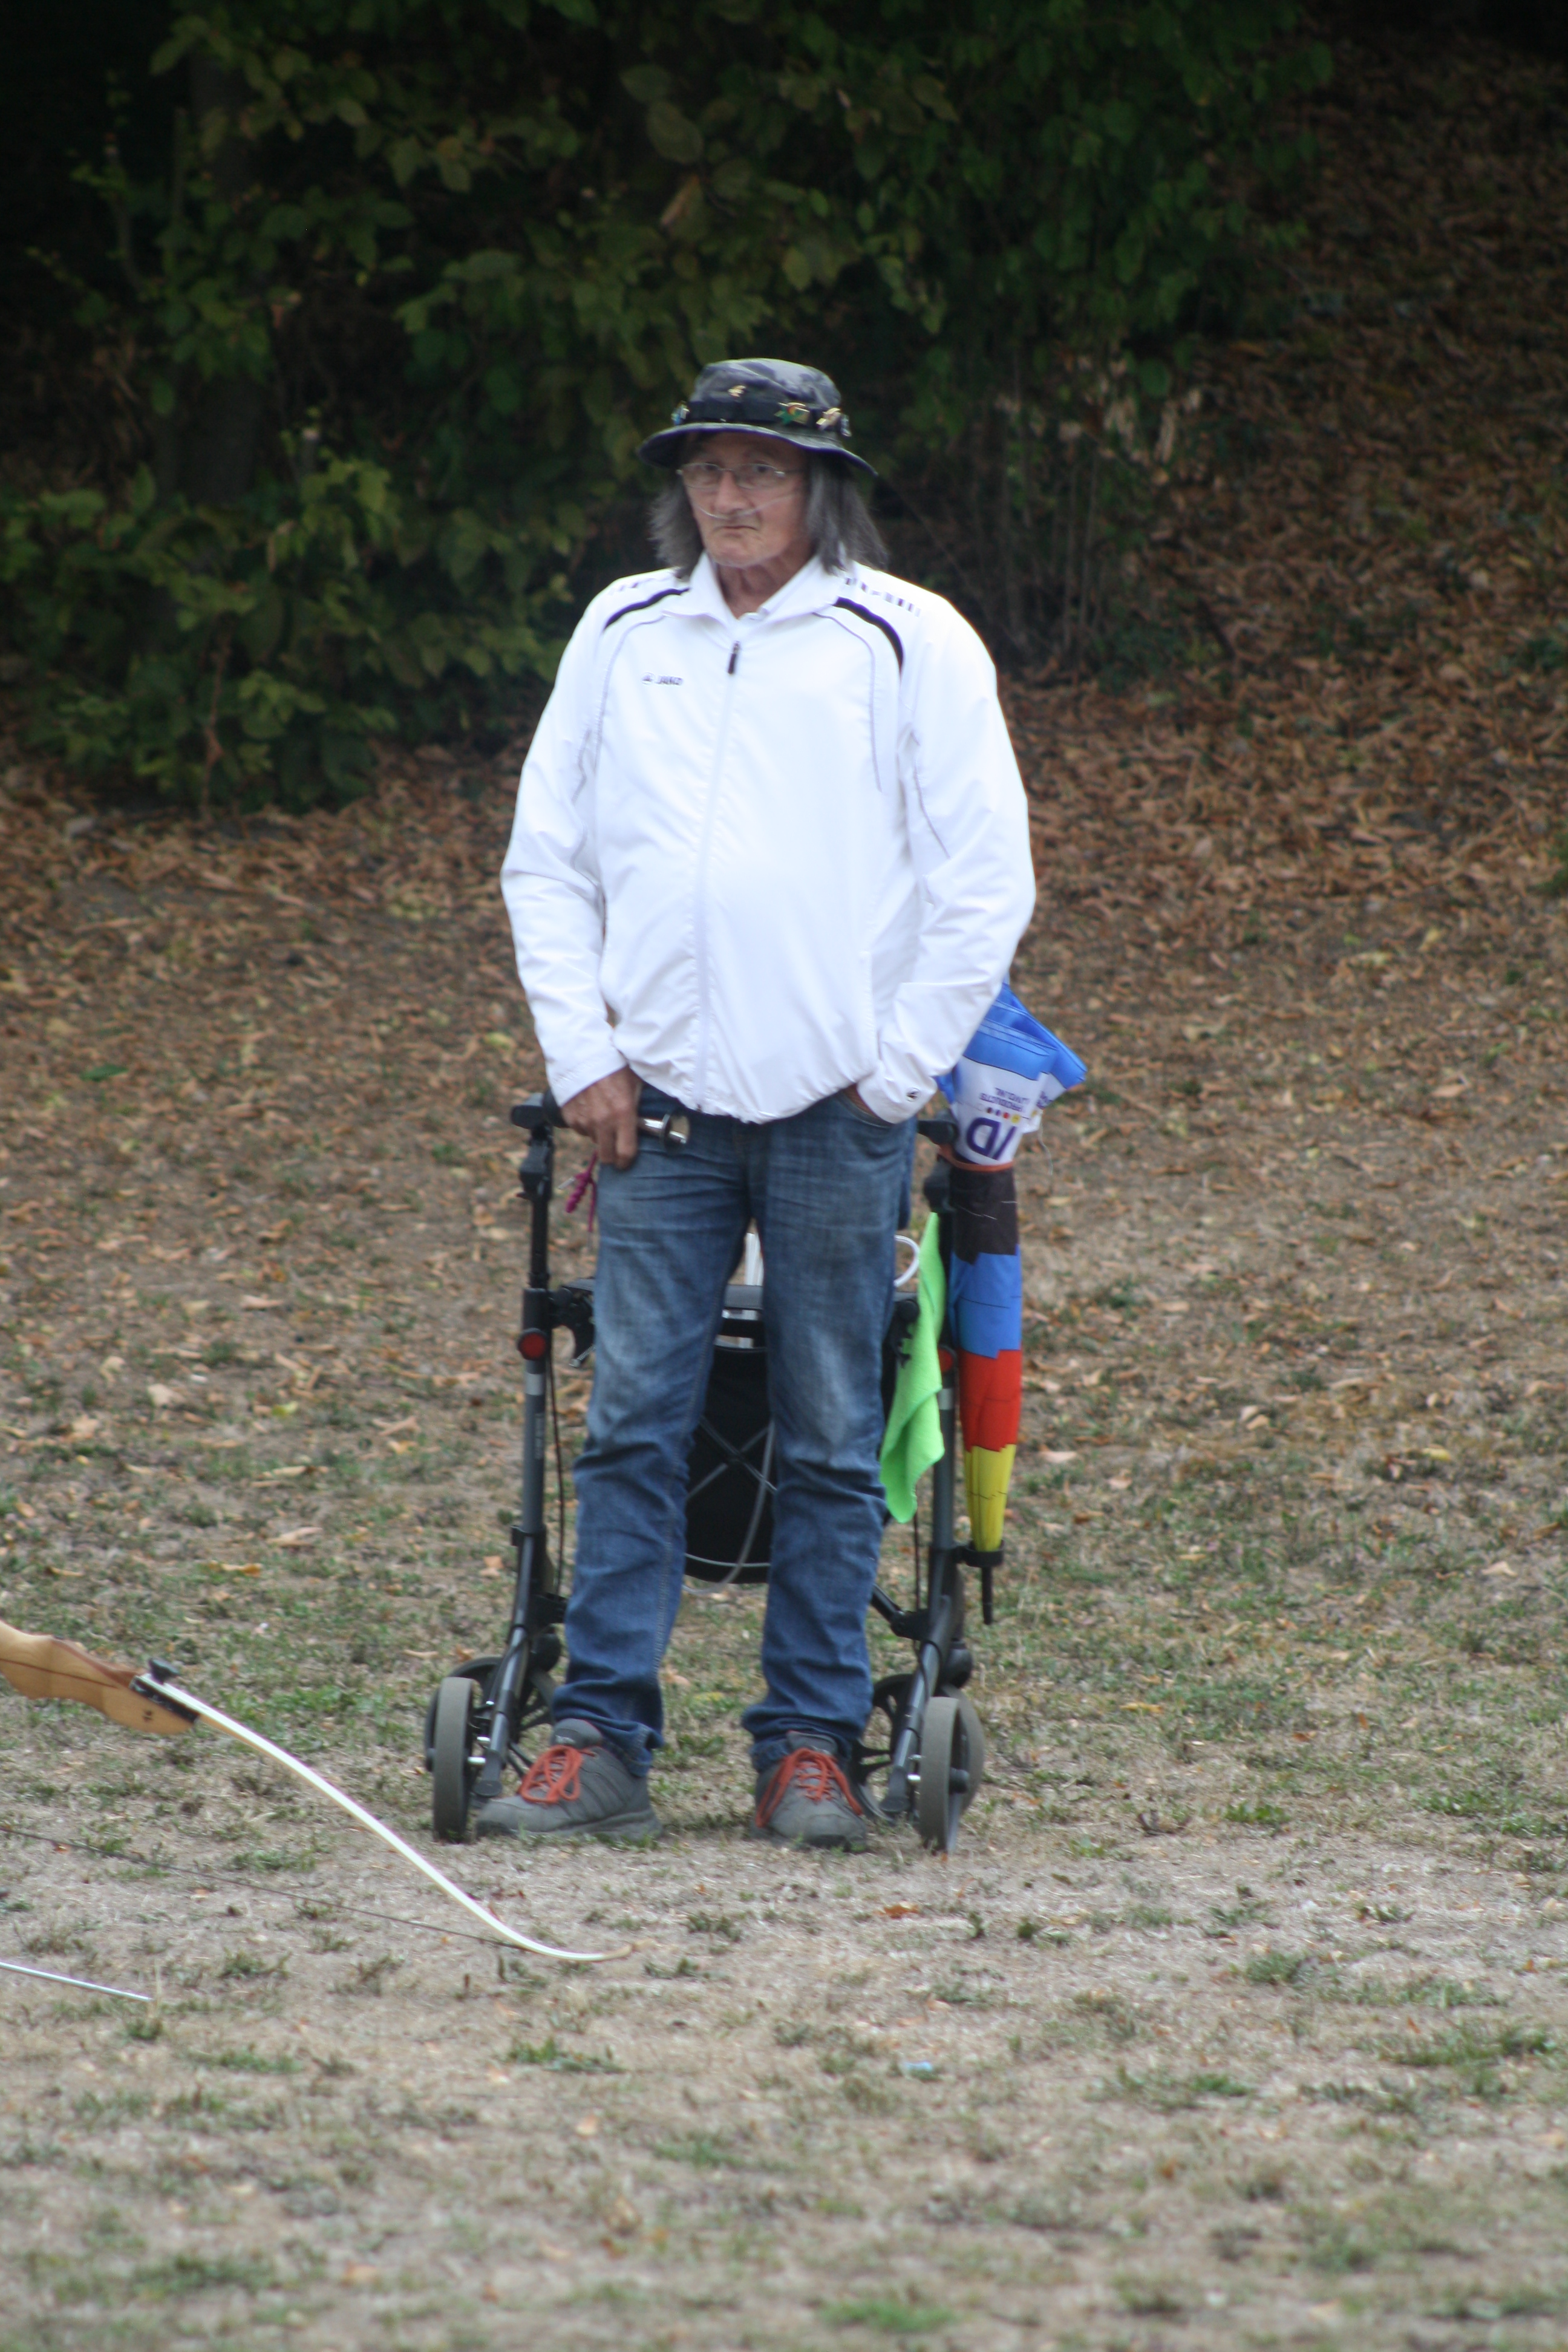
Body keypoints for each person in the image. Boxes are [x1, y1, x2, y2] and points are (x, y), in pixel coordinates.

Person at [485, 357, 1034, 1849]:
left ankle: (809, 1747)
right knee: (634, 1423)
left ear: (822, 488)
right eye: (709, 470)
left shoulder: (909, 639)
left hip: (836, 1114)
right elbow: (547, 860)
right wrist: (583, 1054)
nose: (731, 497)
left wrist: (894, 1073)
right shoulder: (624, 629)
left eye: (764, 472)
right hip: (653, 1107)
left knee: (833, 1432)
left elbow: (986, 879)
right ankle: (598, 1739)